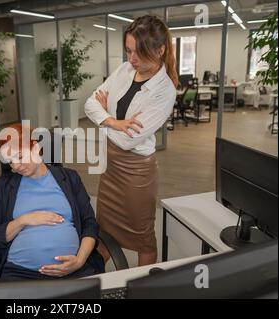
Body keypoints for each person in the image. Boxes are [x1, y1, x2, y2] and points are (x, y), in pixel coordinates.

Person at [84, 16, 178, 266]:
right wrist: (113, 122)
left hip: (136, 173)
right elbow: (89, 103)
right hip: (110, 169)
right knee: (104, 233)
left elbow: (129, 141)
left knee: (143, 239)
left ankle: (141, 288)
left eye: (140, 52)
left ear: (160, 50)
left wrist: (101, 119)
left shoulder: (164, 90)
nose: (132, 59)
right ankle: (94, 283)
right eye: (128, 50)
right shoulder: (124, 70)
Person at [0, 124, 105, 281]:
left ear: (35, 147)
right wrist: (24, 220)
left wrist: (79, 261)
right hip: (20, 273)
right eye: (10, 161)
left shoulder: (70, 178)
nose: (15, 166)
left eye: (20, 157)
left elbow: (89, 224)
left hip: (73, 270)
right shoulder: (3, 186)